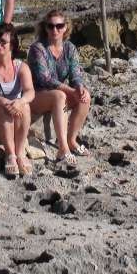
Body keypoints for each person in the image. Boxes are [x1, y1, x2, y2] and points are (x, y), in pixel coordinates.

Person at [27, 9, 91, 165]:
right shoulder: (38, 49)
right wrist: (70, 90)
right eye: (50, 26)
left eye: (59, 26)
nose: (55, 29)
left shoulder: (70, 48)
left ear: (65, 28)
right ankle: (62, 148)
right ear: (45, 28)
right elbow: (44, 79)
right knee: (60, 96)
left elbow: (75, 74)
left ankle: (71, 140)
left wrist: (79, 87)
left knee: (85, 96)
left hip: (57, 95)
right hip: (36, 95)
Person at [0, 23, 35, 176]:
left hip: (15, 117)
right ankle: (10, 155)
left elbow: (30, 92)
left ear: (12, 45)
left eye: (3, 42)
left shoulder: (21, 67)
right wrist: (3, 101)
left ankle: (20, 152)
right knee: (2, 107)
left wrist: (20, 101)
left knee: (25, 106)